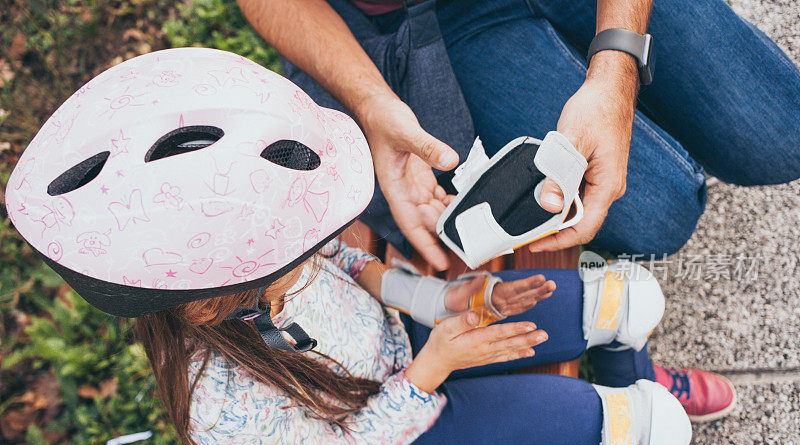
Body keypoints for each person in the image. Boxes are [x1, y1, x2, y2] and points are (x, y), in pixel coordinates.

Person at [7, 48, 800, 445]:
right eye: (300, 250)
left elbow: (350, 265)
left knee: (632, 298)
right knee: (646, 425)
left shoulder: (269, 261)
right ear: (214, 302)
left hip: (417, 344)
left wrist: (437, 304)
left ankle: (633, 366)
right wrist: (435, 365)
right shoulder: (220, 404)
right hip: (402, 441)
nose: (320, 248)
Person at [236, 0, 800, 270]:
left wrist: (616, 67)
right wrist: (372, 99)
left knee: (779, 138)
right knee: (660, 216)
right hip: (430, 24)